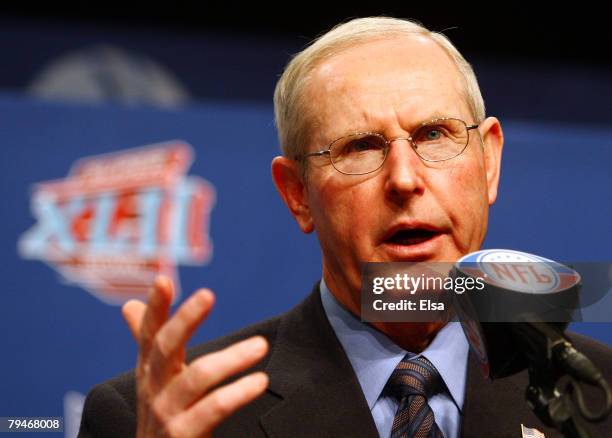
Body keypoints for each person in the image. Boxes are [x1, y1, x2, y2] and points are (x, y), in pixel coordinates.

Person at [79, 17, 612, 437]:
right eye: (360, 147)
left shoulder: (596, 394)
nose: (405, 179)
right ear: (297, 194)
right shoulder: (157, 420)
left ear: (489, 162)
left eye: (433, 134)